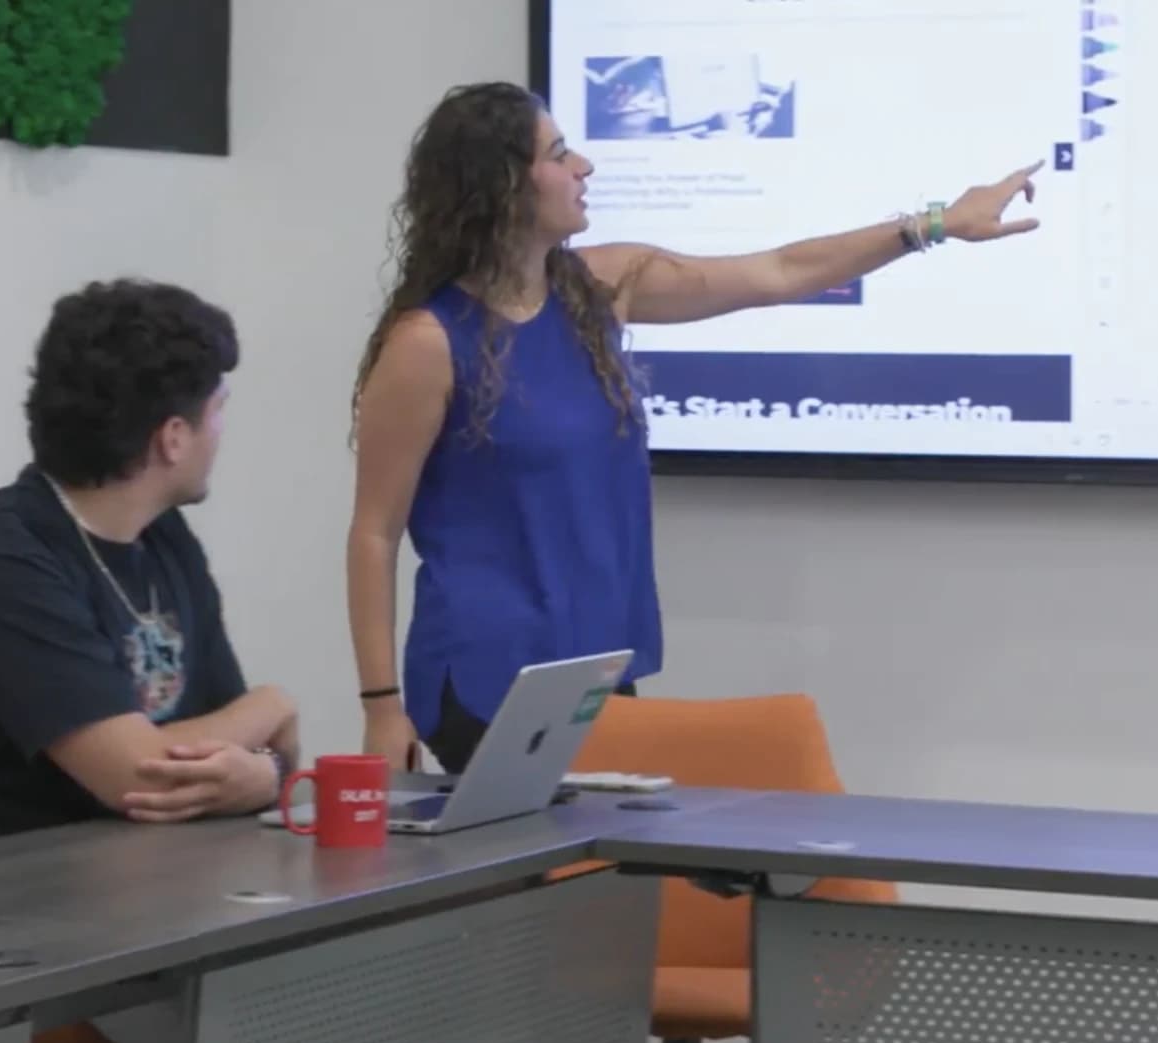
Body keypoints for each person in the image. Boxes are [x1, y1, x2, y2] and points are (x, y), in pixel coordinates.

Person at [347, 81, 1043, 774]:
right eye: (558, 155)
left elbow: (779, 272)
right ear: (501, 184)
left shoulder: (600, 287)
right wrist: (381, 707)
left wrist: (934, 224)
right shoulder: (428, 341)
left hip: (593, 666)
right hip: (486, 670)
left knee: (607, 845)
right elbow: (375, 532)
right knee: (558, 848)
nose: (584, 166)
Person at [0, 279, 297, 855]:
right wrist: (274, 704)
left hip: (119, 871)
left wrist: (267, 771)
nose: (222, 432)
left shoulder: (165, 537)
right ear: (173, 438)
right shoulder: (0, 558)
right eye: (218, 410)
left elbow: (230, 742)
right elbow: (140, 777)